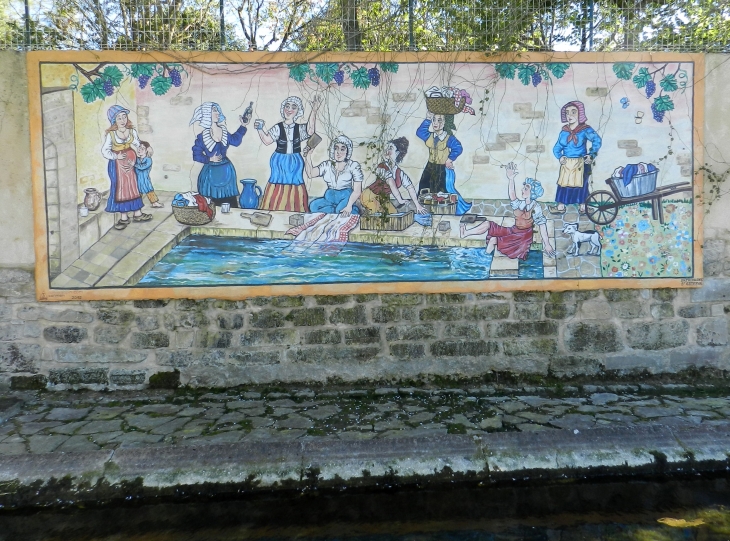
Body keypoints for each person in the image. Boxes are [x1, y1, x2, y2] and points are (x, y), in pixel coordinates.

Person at [460, 162, 555, 260]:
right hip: (514, 230)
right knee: (488, 224)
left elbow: (542, 226)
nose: (522, 189)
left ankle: (484, 259)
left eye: (526, 188)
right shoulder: (521, 203)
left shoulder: (536, 207)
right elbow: (512, 194)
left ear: (532, 193)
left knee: (493, 240)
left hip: (522, 237)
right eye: (524, 187)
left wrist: (547, 244)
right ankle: (465, 233)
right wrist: (511, 179)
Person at [256, 95, 322, 212]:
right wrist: (260, 129)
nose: (289, 109)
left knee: (295, 184)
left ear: (298, 111)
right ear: (283, 108)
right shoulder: (278, 127)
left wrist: (314, 110)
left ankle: (295, 211)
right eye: (287, 106)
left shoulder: (299, 128)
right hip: (279, 161)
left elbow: (311, 131)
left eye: (293, 107)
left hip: (295, 162)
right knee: (277, 183)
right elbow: (267, 141)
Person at [190, 101, 248, 208]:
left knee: (229, 201)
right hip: (210, 173)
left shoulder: (224, 131)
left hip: (226, 171)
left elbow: (235, 141)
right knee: (211, 203)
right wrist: (209, 158)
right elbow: (196, 154)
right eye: (214, 111)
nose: (217, 113)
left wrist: (243, 125)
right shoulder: (202, 136)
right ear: (207, 114)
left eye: (217, 110)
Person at [101, 105, 150, 230]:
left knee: (133, 187)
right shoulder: (111, 135)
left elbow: (138, 144)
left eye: (124, 116)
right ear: (114, 121)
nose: (123, 120)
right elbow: (105, 151)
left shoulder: (132, 131)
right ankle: (124, 217)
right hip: (117, 165)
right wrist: (116, 156)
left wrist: (141, 153)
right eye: (119, 118)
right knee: (121, 189)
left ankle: (137, 213)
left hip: (131, 163)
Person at [549, 101, 602, 214]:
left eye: (574, 112)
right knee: (563, 184)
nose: (570, 115)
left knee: (582, 185)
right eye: (567, 113)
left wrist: (591, 154)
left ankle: (583, 207)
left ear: (580, 114)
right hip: (567, 163)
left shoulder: (585, 129)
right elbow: (557, 147)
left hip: (581, 163)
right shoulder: (564, 132)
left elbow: (597, 140)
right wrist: (560, 156)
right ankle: (560, 207)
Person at [361, 137, 428, 215]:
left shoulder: (399, 173)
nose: (387, 150)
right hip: (369, 196)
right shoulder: (382, 167)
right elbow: (391, 183)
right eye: (387, 148)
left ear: (397, 153)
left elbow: (410, 187)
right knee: (380, 215)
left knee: (394, 214)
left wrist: (417, 205)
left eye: (390, 148)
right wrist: (400, 200)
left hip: (383, 199)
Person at [303, 135, 363, 216]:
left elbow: (357, 191)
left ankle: (352, 209)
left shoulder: (353, 166)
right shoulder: (327, 165)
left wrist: (349, 206)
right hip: (329, 196)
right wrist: (308, 156)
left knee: (340, 210)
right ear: (332, 150)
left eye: (342, 149)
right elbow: (310, 174)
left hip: (345, 196)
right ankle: (336, 211)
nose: (338, 152)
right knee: (313, 206)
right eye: (336, 148)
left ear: (347, 151)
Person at [416, 112, 462, 194]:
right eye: (434, 120)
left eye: (439, 120)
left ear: (444, 123)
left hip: (442, 168)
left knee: (440, 191)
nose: (435, 123)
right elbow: (419, 132)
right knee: (424, 187)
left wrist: (449, 159)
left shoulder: (448, 138)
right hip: (429, 166)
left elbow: (458, 148)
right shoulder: (429, 136)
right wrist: (428, 119)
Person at [134, 141, 163, 208]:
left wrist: (134, 165)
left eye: (142, 148)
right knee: (138, 192)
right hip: (137, 179)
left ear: (147, 150)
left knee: (149, 191)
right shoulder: (137, 159)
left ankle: (154, 203)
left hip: (145, 179)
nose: (139, 149)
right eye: (139, 147)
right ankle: (137, 204)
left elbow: (143, 167)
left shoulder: (148, 160)